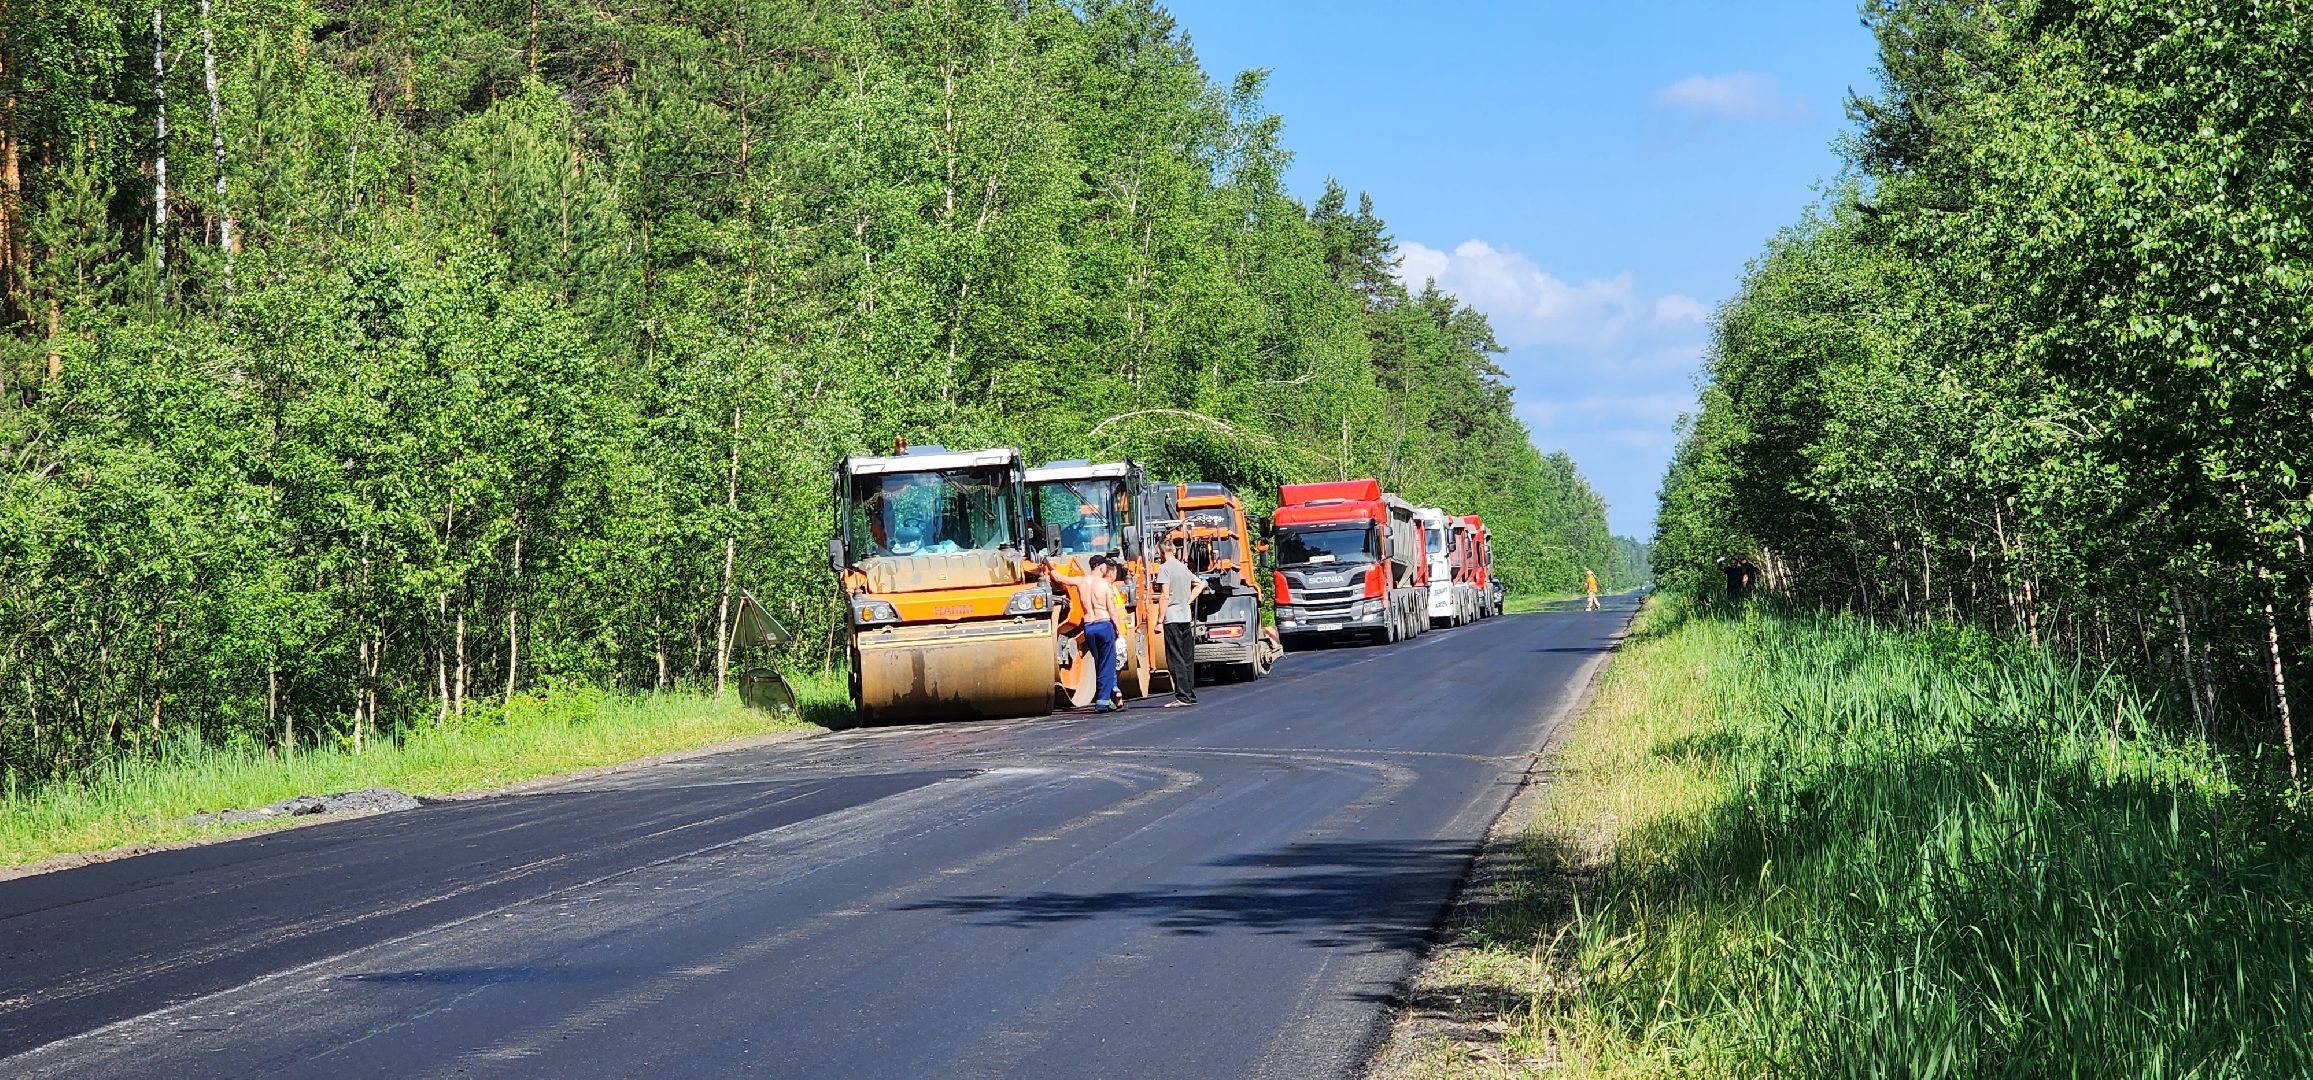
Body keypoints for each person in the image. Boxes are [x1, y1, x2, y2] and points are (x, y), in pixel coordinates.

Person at [1045, 555, 1122, 712]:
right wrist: (1119, 633)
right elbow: (1113, 611)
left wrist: (1047, 564)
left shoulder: (1081, 581)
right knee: (1108, 664)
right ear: (1102, 568)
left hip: (1089, 627)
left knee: (1099, 663)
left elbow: (1059, 578)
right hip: (1104, 624)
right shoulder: (1104, 585)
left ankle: (1111, 694)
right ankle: (1102, 701)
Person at [1155, 541, 1208, 708]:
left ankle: (1182, 696)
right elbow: (1200, 584)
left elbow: (1164, 595)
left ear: (1161, 552)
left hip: (1172, 617)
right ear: (1175, 550)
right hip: (1186, 616)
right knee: (1187, 657)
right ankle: (1190, 694)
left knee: (1175, 657)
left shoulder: (1165, 568)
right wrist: (1188, 600)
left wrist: (1159, 620)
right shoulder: (1183, 567)